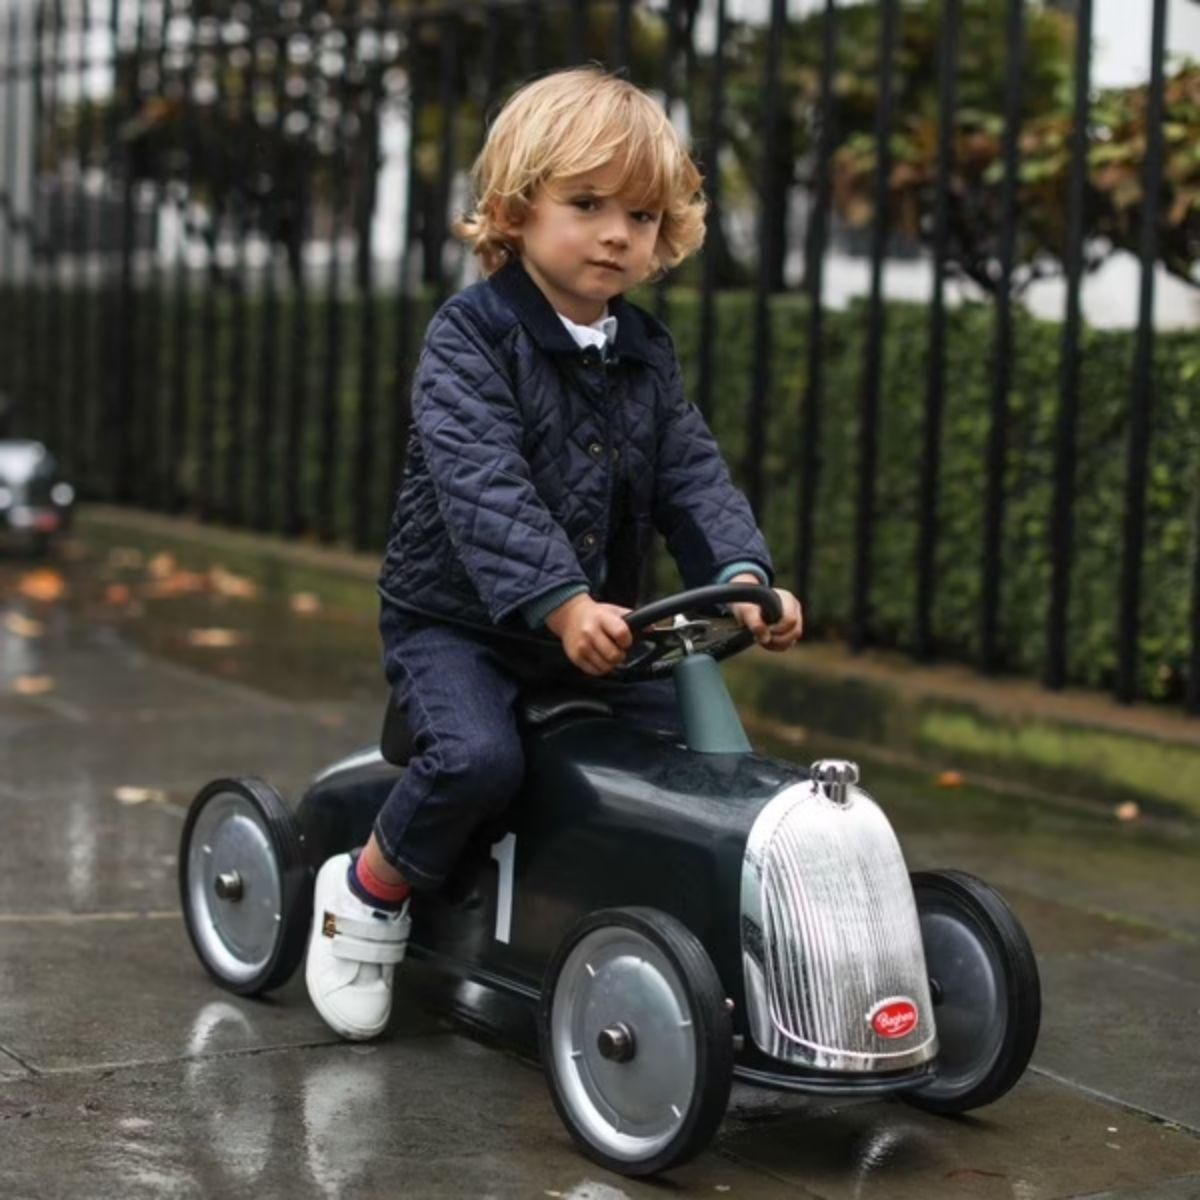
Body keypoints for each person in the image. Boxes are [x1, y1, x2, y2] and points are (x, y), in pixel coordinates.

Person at [305, 66, 804, 1040]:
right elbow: (482, 484)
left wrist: (743, 576)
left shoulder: (643, 354)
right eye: (587, 205)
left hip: (594, 629)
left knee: (692, 764)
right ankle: (366, 893)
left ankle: (658, 926)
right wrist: (561, 601)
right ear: (516, 210)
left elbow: (691, 474)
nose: (618, 234)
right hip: (460, 625)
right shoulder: (471, 338)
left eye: (642, 216)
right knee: (476, 759)